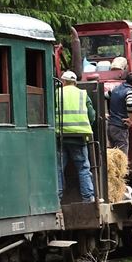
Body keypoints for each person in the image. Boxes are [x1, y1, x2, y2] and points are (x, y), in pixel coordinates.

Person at [57, 71, 95, 203]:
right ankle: (88, 198)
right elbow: (92, 115)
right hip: (79, 136)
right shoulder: (82, 94)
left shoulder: (56, 93)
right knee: (83, 168)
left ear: (63, 82)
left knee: (58, 168)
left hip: (60, 137)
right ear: (75, 82)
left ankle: (57, 198)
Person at [107, 71, 132, 155]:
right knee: (122, 155)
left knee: (114, 154)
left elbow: (104, 96)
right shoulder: (130, 92)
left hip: (111, 126)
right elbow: (130, 104)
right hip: (120, 127)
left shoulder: (115, 89)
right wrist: (131, 119)